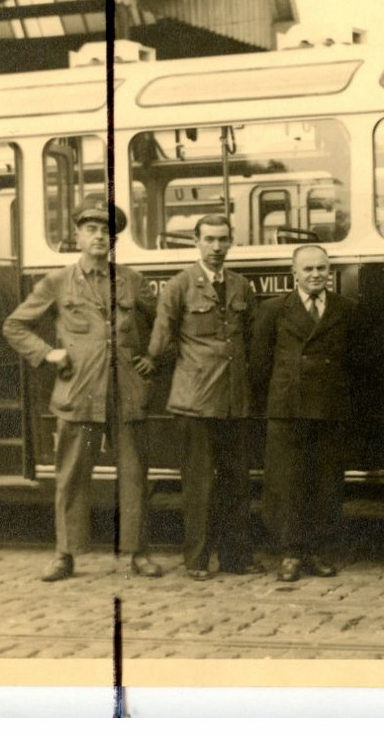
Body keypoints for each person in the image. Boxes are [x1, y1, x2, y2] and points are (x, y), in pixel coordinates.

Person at [2, 195, 161, 582]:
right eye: (91, 229)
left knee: (134, 475)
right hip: (79, 394)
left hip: (125, 394)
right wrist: (47, 353)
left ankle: (138, 553)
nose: (98, 237)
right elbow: (14, 325)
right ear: (77, 235)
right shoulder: (57, 282)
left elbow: (163, 322)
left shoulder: (131, 281)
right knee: (72, 476)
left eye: (106, 231)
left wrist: (152, 357)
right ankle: (65, 555)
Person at [147, 213, 262, 580]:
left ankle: (235, 558)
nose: (216, 247)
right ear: (196, 241)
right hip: (194, 403)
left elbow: (251, 338)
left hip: (234, 401)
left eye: (223, 239)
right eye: (209, 239)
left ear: (232, 241)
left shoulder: (242, 287)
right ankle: (196, 560)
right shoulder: (179, 286)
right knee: (198, 486)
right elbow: (161, 344)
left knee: (236, 483)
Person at [250, 244, 354, 583]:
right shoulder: (274, 310)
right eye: (307, 269)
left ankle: (318, 552)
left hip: (328, 408)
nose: (315, 275)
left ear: (330, 272)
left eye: (321, 268)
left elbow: (356, 364)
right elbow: (261, 365)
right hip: (287, 408)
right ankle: (290, 553)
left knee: (325, 482)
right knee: (286, 483)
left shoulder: (345, 309)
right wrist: (274, 403)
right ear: (294, 274)